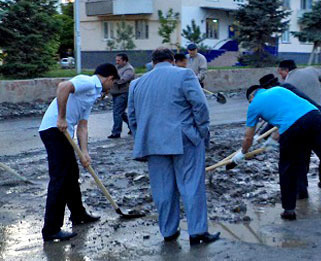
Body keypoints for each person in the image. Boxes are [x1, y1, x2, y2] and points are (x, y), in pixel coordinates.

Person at [234, 85, 321, 220]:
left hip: (293, 129)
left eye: (249, 101)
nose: (250, 104)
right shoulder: (279, 90)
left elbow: (248, 137)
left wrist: (242, 152)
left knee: (288, 168)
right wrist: (275, 137)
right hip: (316, 117)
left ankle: (289, 210)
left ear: (251, 96)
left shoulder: (254, 105)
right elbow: (289, 114)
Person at [128, 47, 220, 244]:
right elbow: (200, 106)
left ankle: (168, 232)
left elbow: (132, 118)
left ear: (153, 62)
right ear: (171, 60)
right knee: (191, 185)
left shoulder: (136, 84)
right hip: (184, 139)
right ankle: (197, 232)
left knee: (162, 189)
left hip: (153, 144)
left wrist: (141, 139)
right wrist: (201, 132)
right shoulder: (185, 74)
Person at [38, 63, 119, 242]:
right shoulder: (88, 82)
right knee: (59, 179)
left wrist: (84, 152)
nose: (110, 88)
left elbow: (83, 126)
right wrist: (61, 117)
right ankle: (51, 229)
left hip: (62, 133)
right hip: (54, 130)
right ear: (109, 78)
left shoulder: (92, 95)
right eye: (112, 84)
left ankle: (78, 214)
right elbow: (63, 87)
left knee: (72, 175)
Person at [258, 72, 321, 203]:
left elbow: (276, 120)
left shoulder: (283, 92)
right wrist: (261, 137)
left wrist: (262, 138)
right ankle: (301, 192)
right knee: (301, 160)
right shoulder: (282, 91)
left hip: (315, 123)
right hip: (306, 125)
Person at [276, 60, 321, 192]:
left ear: (285, 70)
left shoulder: (287, 84)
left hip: (304, 122)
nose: (280, 75)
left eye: (280, 72)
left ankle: (302, 189)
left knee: (302, 155)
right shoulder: (311, 70)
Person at [108, 53, 135, 139]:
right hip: (116, 93)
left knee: (117, 113)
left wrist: (112, 80)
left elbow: (122, 80)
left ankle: (116, 132)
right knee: (121, 113)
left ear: (125, 60)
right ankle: (133, 126)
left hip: (123, 93)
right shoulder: (117, 68)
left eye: (119, 60)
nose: (117, 62)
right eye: (116, 60)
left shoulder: (129, 69)